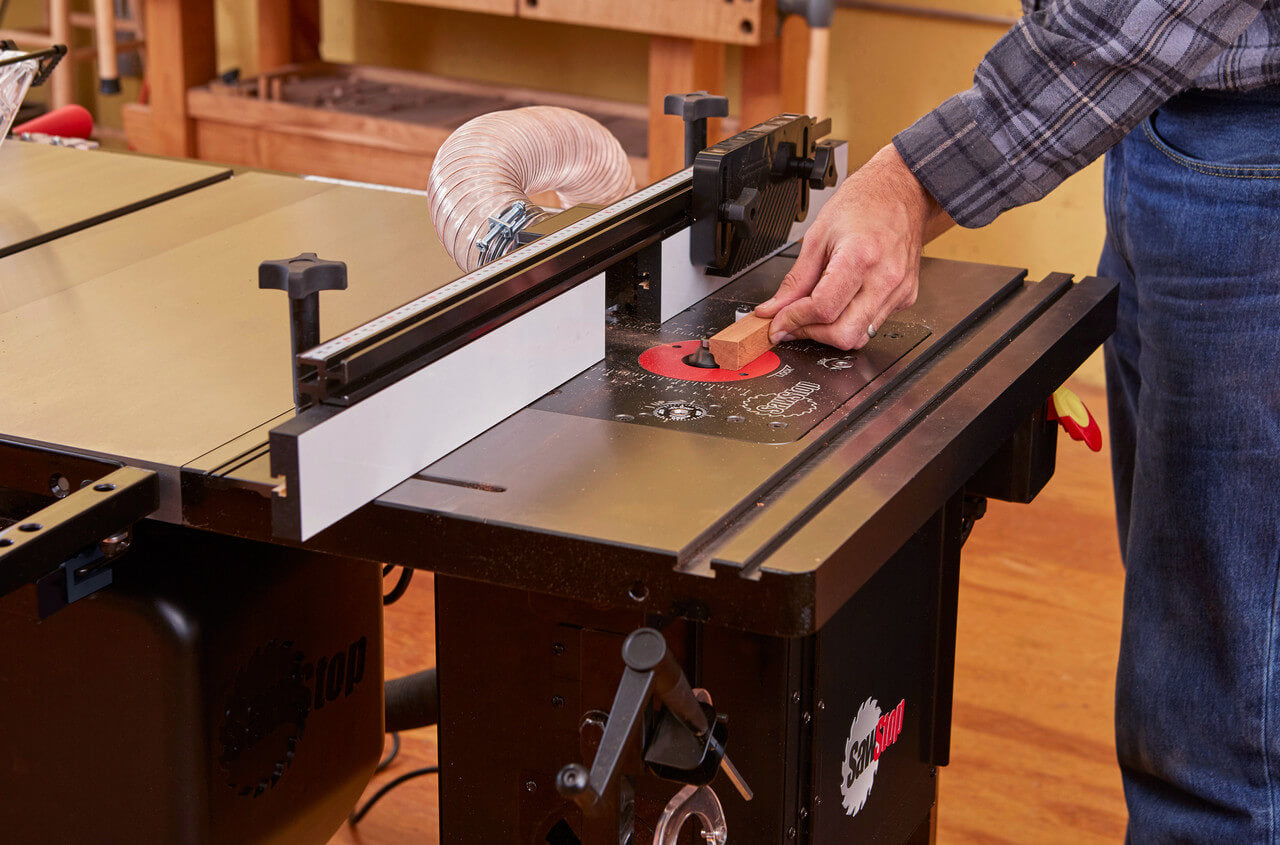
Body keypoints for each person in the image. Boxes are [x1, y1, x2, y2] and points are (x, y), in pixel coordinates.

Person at [756, 0, 1280, 840]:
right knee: (1200, 650)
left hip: (1249, 148)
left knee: (1225, 737)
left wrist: (915, 182)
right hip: (1158, 125)